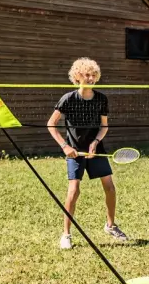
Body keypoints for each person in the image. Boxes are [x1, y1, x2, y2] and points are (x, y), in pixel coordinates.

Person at [47, 58, 127, 250]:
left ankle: (111, 225)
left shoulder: (101, 99)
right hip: (74, 151)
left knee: (109, 187)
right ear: (77, 77)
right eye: (86, 75)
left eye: (93, 75)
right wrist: (65, 146)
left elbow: (104, 126)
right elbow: (51, 124)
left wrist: (96, 142)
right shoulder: (68, 99)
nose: (91, 78)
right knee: (74, 191)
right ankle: (66, 234)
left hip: (95, 150)